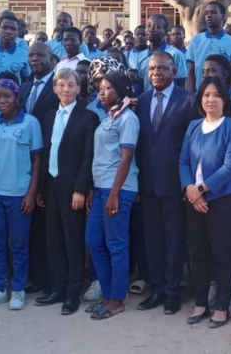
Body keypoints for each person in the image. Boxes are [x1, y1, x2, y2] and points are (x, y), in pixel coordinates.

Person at [179, 75, 231, 328]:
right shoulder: (194, 126)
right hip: (193, 199)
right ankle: (200, 303)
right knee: (197, 252)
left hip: (222, 200)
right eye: (206, 95)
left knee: (222, 254)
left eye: (216, 96)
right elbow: (183, 160)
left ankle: (221, 306)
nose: (210, 100)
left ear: (224, 100)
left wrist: (202, 189)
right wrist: (190, 190)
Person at [134, 51, 195, 315]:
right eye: (152, 69)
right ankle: (157, 288)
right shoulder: (141, 101)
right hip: (147, 184)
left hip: (174, 184)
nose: (156, 73)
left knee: (174, 239)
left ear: (173, 71)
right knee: (153, 240)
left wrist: (187, 183)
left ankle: (172, 291)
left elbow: (193, 147)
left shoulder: (188, 101)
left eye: (162, 68)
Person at [0, 78, 42, 311]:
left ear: (17, 98)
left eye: (7, 96)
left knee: (19, 244)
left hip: (18, 192)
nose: (2, 101)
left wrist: (31, 193)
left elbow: (36, 161)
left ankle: (19, 288)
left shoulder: (30, 123)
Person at [35, 68, 98, 314]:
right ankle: (57, 288)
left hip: (73, 188)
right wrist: (41, 188)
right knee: (54, 240)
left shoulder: (88, 117)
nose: (66, 90)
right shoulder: (49, 116)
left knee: (73, 240)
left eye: (71, 85)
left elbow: (87, 157)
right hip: (51, 187)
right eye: (61, 85)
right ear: (54, 88)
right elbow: (45, 153)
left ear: (79, 88)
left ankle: (73, 292)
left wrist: (81, 189)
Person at [85, 71, 139, 320]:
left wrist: (114, 194)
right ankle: (107, 295)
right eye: (100, 88)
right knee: (93, 241)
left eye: (107, 88)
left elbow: (126, 157)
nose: (101, 92)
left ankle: (116, 299)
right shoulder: (109, 116)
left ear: (120, 90)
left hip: (118, 188)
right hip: (101, 188)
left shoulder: (128, 118)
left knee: (116, 245)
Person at [186, 2, 231, 91]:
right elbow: (191, 70)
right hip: (199, 92)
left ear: (223, 16)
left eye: (213, 12)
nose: (209, 16)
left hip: (223, 93)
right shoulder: (196, 40)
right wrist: (190, 94)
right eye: (206, 13)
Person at [133, 14, 187, 93]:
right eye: (148, 26)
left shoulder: (175, 54)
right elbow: (141, 82)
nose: (151, 29)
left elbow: (181, 82)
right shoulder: (141, 55)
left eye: (157, 27)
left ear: (165, 31)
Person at [19, 42, 58, 116]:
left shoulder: (61, 86)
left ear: (52, 61)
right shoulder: (23, 88)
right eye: (30, 55)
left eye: (40, 55)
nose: (34, 59)